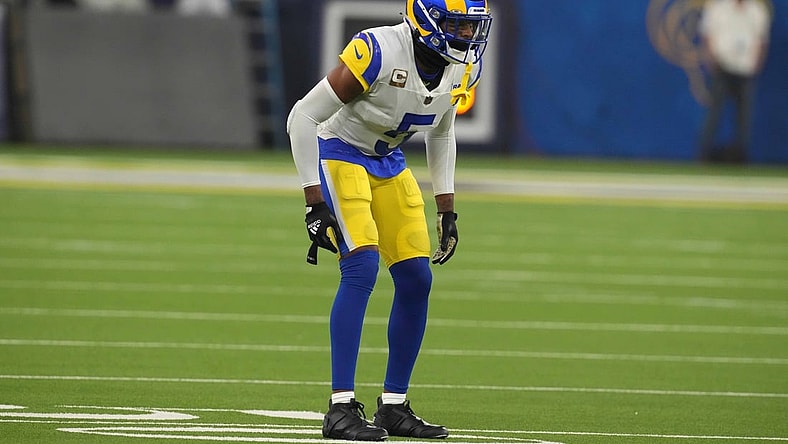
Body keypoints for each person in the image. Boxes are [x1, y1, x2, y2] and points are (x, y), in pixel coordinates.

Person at [286, 0, 492, 441]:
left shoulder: (461, 67)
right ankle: (340, 408)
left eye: (471, 25)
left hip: (388, 161)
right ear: (426, 20)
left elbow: (442, 131)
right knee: (360, 267)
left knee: (417, 277)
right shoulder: (377, 49)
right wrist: (313, 202)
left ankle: (393, 406)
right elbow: (302, 116)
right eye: (456, 24)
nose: (466, 35)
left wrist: (447, 207)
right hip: (339, 152)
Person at [698, 0, 771, 163]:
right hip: (722, 66)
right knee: (714, 113)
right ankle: (703, 153)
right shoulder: (718, 7)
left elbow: (762, 40)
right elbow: (707, 34)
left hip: (746, 69)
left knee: (744, 115)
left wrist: (757, 63)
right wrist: (711, 59)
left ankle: (740, 154)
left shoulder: (757, 10)